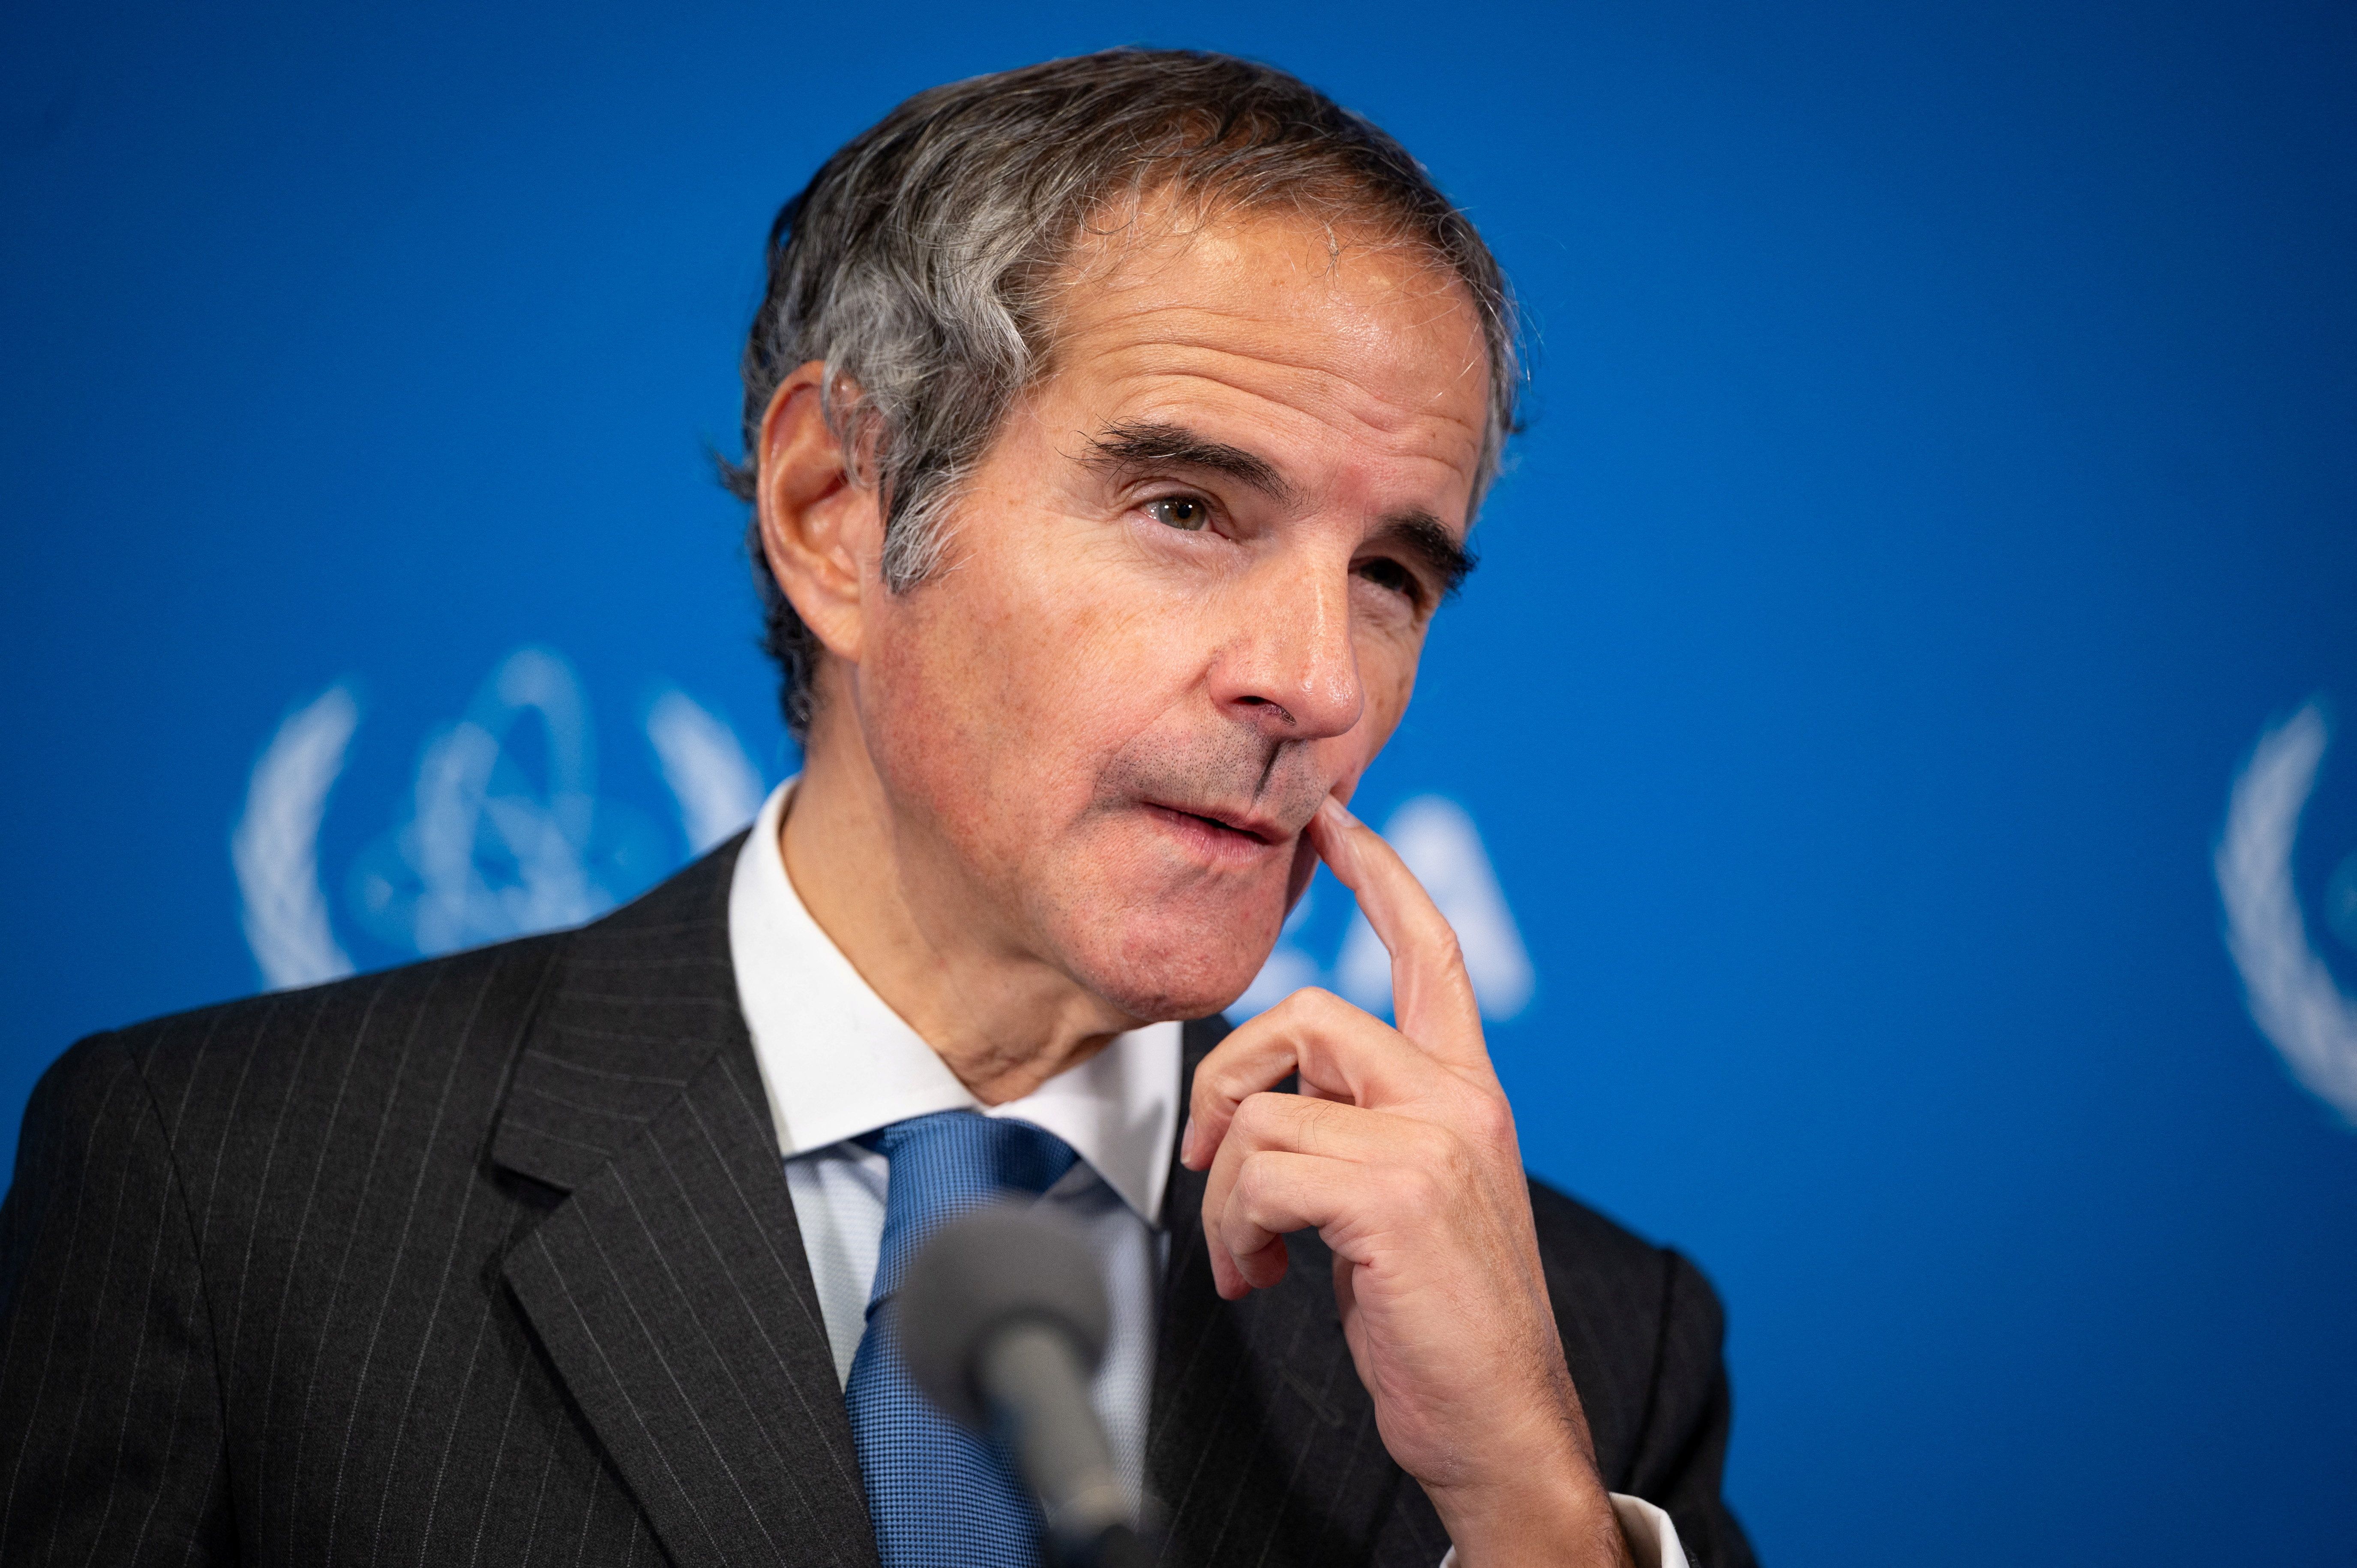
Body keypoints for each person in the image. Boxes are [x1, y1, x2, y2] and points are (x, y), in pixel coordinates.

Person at [0, 49, 1754, 1568]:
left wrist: (1531, 1511)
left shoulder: (1588, 1348)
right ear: (837, 507)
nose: (1319, 681)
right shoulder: (221, 1190)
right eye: (1186, 509)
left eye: (1391, 571)